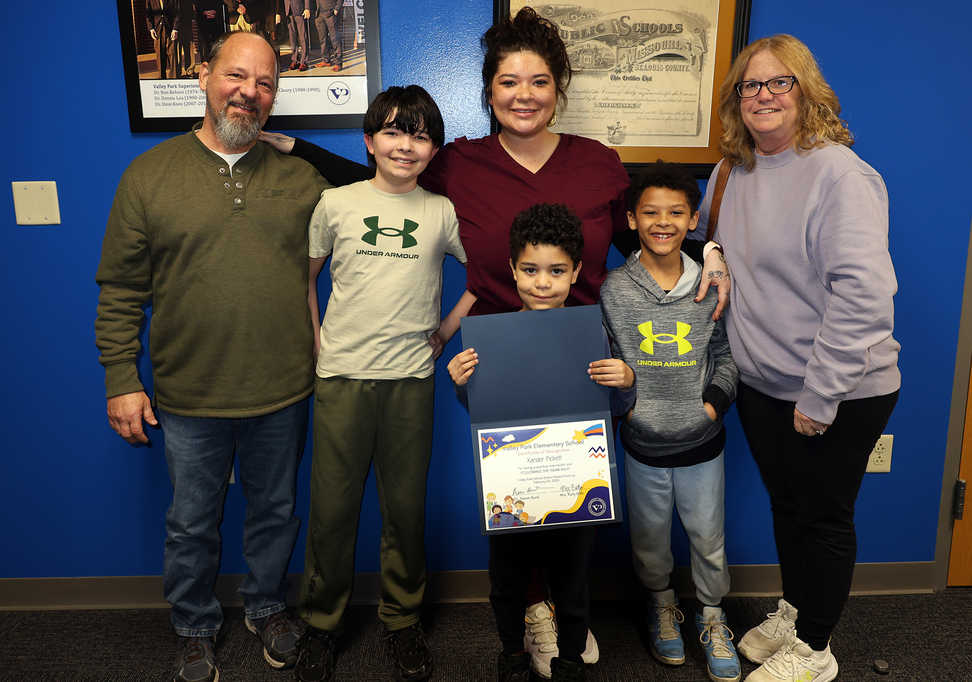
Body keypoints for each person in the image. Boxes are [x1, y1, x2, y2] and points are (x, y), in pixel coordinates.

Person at [260, 7, 730, 674]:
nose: (524, 95)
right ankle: (531, 615)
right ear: (488, 91)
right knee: (515, 497)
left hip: (579, 355)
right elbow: (378, 184)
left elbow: (655, 222)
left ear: (558, 88)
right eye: (509, 82)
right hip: (498, 360)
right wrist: (299, 150)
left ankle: (567, 615)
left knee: (571, 499)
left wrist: (710, 248)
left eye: (539, 81)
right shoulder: (458, 164)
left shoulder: (597, 163)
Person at [95, 32, 366, 682]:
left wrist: (302, 148)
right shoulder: (148, 175)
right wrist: (120, 379)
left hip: (283, 392)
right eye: (236, 75)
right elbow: (122, 287)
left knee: (277, 512)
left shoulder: (302, 180)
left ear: (276, 95)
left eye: (265, 83)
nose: (249, 91)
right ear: (203, 77)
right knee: (192, 523)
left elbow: (382, 186)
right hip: (188, 398)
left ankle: (266, 606)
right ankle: (193, 624)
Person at [695, 34, 900, 682]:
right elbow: (711, 238)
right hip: (762, 382)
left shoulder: (839, 173)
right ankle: (793, 610)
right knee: (787, 506)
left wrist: (819, 396)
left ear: (805, 91)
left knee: (823, 517)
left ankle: (815, 650)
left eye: (779, 83)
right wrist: (713, 255)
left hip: (841, 387)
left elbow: (864, 297)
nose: (763, 96)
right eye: (750, 86)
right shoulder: (731, 171)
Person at [292, 85, 466, 682]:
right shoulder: (336, 203)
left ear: (433, 149)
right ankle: (320, 624)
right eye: (393, 131)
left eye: (419, 135)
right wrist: (317, 338)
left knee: (405, 510)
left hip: (410, 382)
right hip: (341, 378)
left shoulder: (441, 211)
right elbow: (305, 278)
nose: (405, 145)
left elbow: (486, 274)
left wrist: (445, 329)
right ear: (369, 142)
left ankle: (402, 620)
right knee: (334, 511)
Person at [447, 203, 636, 682]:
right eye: (530, 270)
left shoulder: (592, 335)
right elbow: (485, 415)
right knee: (507, 580)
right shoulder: (492, 340)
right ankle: (512, 655)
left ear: (575, 272)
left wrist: (626, 380)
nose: (542, 283)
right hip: (514, 486)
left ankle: (570, 661)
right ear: (513, 270)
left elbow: (613, 410)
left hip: (574, 483)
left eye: (556, 271)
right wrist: (461, 383)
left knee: (572, 584)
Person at [600, 162, 740, 682]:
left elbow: (726, 356)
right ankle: (662, 607)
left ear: (693, 219)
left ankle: (712, 614)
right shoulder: (613, 289)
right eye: (651, 212)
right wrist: (628, 407)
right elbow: (602, 362)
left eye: (677, 212)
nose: (664, 222)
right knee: (650, 538)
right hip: (642, 445)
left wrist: (712, 405)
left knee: (707, 536)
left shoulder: (711, 282)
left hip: (703, 441)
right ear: (632, 220)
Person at [145, 0, 180, 78]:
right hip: (158, 30)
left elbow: (178, 13)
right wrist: (151, 29)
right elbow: (148, 15)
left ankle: (174, 79)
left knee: (173, 55)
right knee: (160, 55)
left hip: (171, 30)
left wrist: (175, 29)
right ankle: (161, 78)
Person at [280, 0, 312, 70]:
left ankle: (304, 61)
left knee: (303, 36)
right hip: (288, 10)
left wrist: (307, 8)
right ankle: (295, 60)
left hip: (299, 9)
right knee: (292, 37)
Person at [312, 0, 343, 71]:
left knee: (335, 38)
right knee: (322, 39)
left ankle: (338, 62)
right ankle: (326, 60)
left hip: (331, 12)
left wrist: (337, 8)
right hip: (318, 12)